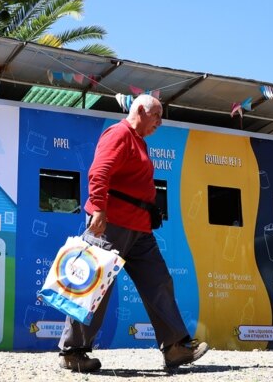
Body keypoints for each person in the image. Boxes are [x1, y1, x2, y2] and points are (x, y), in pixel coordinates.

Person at [58, 94, 208, 373]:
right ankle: (73, 352)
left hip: (140, 230)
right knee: (93, 287)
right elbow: (99, 172)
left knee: (159, 283)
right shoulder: (119, 134)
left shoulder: (139, 142)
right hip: (110, 225)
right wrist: (99, 209)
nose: (160, 122)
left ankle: (175, 347)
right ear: (139, 109)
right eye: (157, 116)